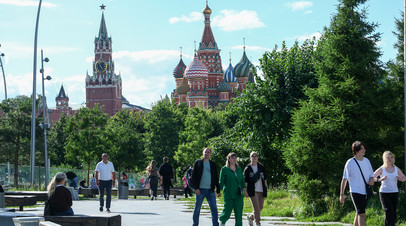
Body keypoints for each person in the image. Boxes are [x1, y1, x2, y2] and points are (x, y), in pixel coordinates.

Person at [340, 141, 374, 226]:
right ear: (355, 150)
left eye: (364, 148)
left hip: (365, 191)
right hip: (355, 191)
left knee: (358, 213)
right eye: (361, 149)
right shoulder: (350, 162)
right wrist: (342, 194)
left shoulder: (367, 161)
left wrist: (372, 180)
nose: (363, 150)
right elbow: (344, 179)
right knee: (362, 214)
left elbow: (371, 175)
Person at [373, 151, 406, 226]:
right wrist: (379, 179)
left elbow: (404, 177)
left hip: (394, 192)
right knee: (389, 212)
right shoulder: (382, 169)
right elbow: (372, 177)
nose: (390, 159)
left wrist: (401, 179)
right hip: (384, 193)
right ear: (385, 159)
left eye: (391, 157)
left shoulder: (396, 168)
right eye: (388, 157)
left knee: (393, 213)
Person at [192, 147, 221, 226]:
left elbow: (216, 177)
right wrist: (196, 188)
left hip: (210, 190)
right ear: (203, 153)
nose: (207, 154)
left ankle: (215, 224)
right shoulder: (198, 163)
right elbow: (193, 176)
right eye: (205, 152)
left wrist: (218, 190)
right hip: (200, 190)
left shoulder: (213, 164)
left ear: (211, 154)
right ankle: (195, 224)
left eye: (208, 152)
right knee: (197, 209)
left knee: (214, 209)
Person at [219, 152, 247, 226]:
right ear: (229, 159)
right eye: (232, 158)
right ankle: (222, 222)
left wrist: (245, 190)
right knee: (227, 211)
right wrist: (218, 191)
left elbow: (242, 180)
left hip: (238, 194)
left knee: (238, 213)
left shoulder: (239, 169)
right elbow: (221, 181)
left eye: (235, 158)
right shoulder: (224, 169)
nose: (234, 159)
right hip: (228, 194)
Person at [244, 152, 267, 226]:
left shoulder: (261, 167)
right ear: (250, 158)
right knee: (256, 208)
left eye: (255, 156)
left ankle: (251, 217)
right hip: (252, 190)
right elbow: (245, 181)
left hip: (261, 190)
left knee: (260, 207)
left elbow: (265, 179)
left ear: (257, 158)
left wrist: (265, 188)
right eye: (252, 156)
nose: (254, 158)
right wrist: (245, 191)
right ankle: (258, 223)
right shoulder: (248, 168)